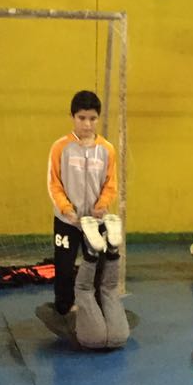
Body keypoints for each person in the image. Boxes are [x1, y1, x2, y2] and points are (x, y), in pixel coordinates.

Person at [46, 90, 121, 317]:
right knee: (64, 265)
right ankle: (64, 307)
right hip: (67, 221)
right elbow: (54, 184)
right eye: (81, 118)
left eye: (92, 118)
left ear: (98, 118)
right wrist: (66, 208)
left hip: (95, 222)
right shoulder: (60, 147)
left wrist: (102, 204)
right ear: (72, 116)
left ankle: (97, 305)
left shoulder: (107, 149)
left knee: (98, 265)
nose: (87, 124)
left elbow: (110, 183)